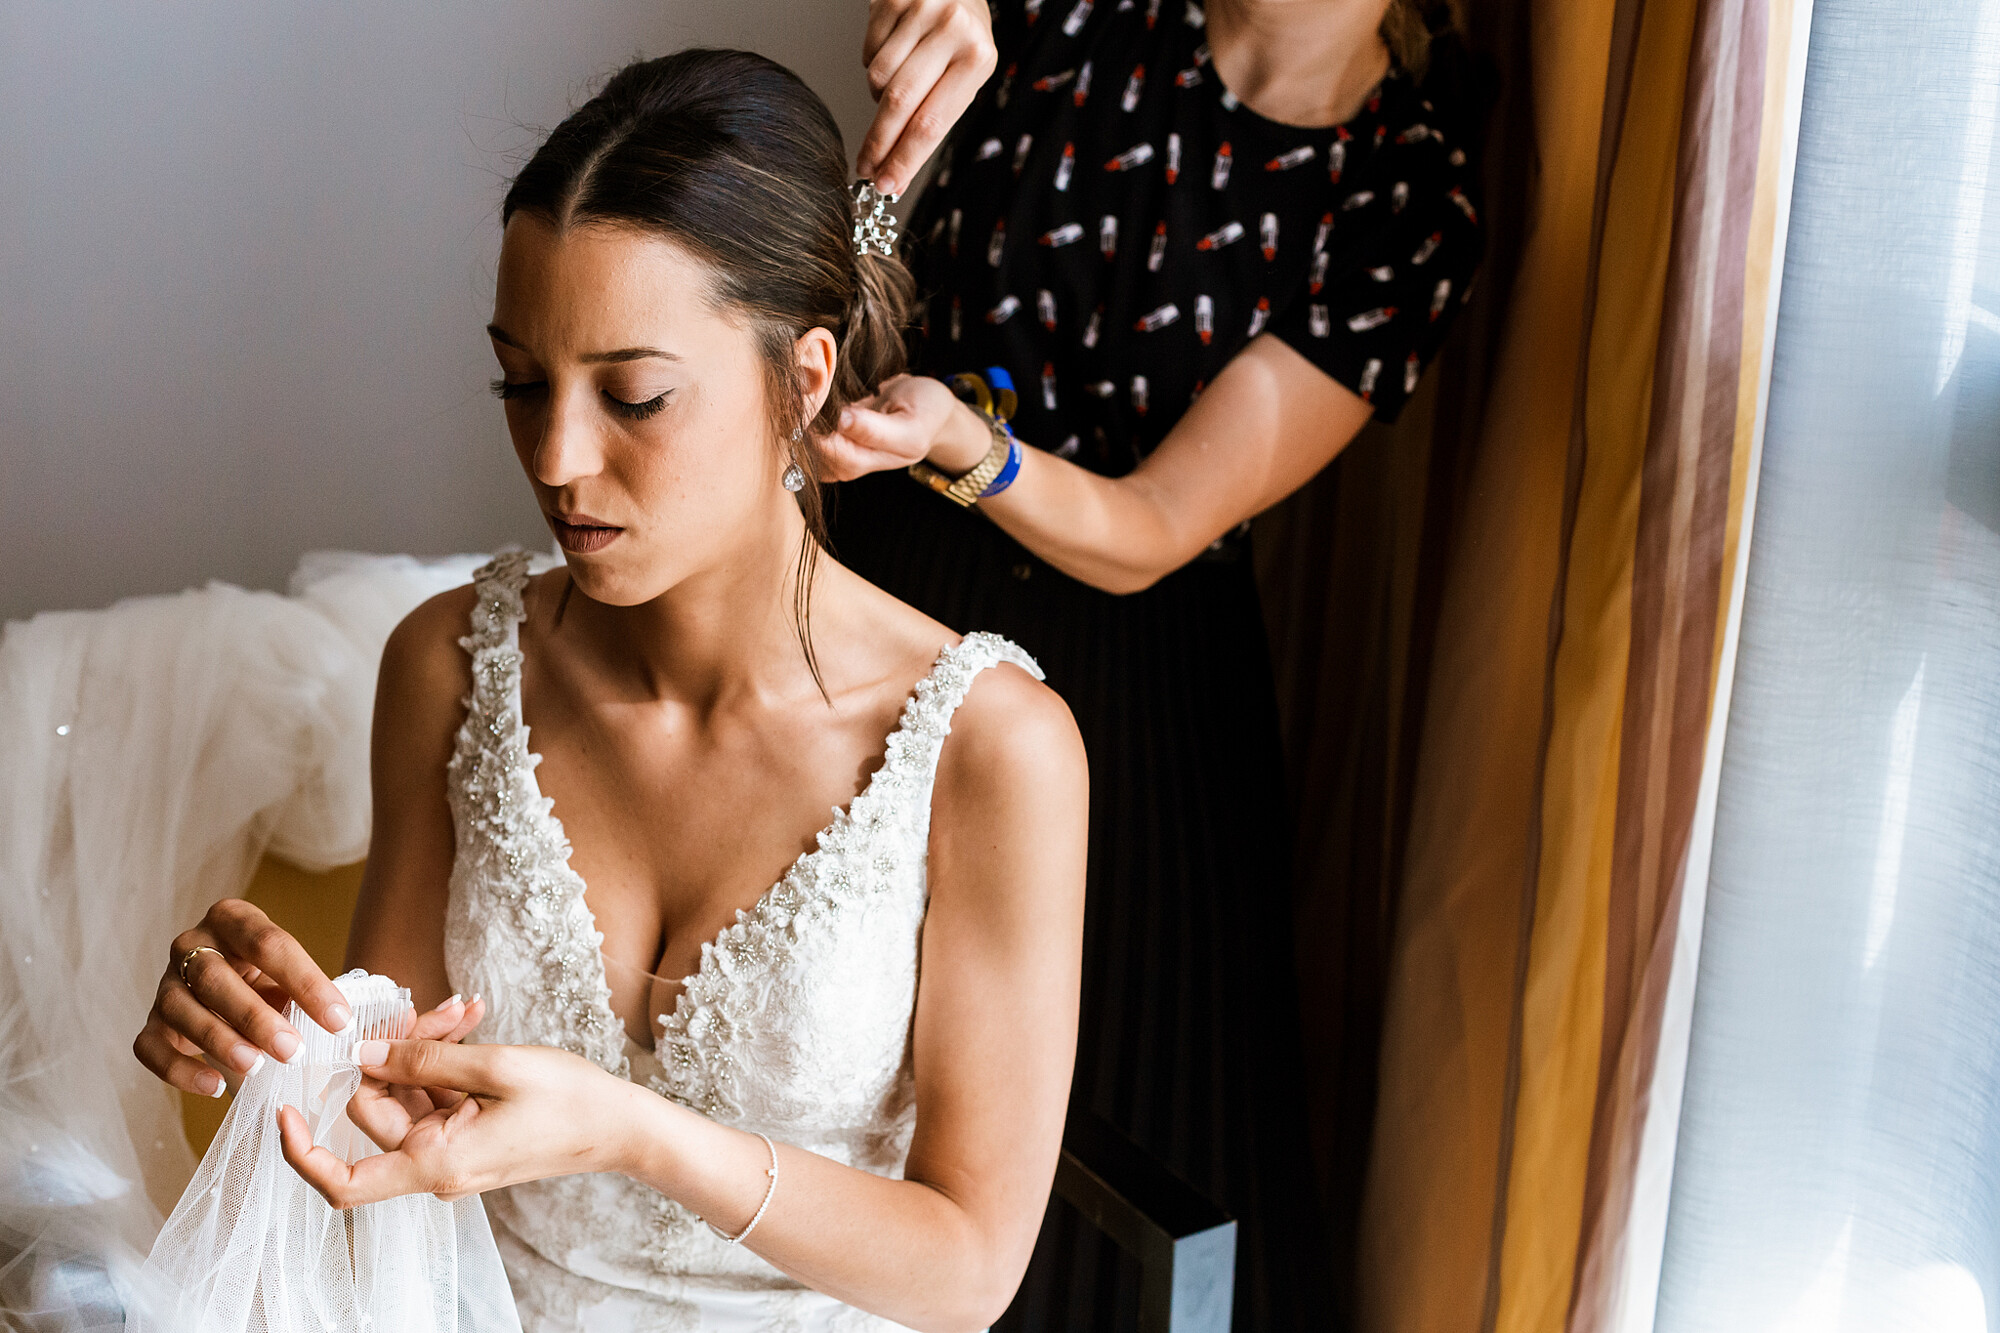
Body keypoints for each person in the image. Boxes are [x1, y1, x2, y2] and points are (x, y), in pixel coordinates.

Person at [130, 48, 1090, 1333]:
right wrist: (264, 1038)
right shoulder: (448, 668)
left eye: (633, 395)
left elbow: (968, 1269)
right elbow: (389, 1117)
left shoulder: (988, 747)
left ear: (801, 381)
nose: (557, 458)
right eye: (520, 383)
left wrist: (636, 1134)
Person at [824, 0, 1485, 1325]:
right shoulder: (1075, 11)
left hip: (1135, 670)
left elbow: (1155, 531)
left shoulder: (1404, 188)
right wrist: (875, 196)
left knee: (1115, 1123)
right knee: (835, 1042)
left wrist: (973, 446)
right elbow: (866, 251)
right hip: (898, 580)